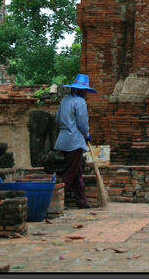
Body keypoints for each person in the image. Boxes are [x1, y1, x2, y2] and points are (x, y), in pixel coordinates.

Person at [54, 73, 96, 208]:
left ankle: (81, 202)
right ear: (81, 90)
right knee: (70, 173)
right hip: (74, 142)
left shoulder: (64, 100)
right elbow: (82, 123)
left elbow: (57, 119)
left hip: (63, 140)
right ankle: (54, 198)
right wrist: (87, 134)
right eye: (84, 91)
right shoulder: (80, 102)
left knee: (76, 172)